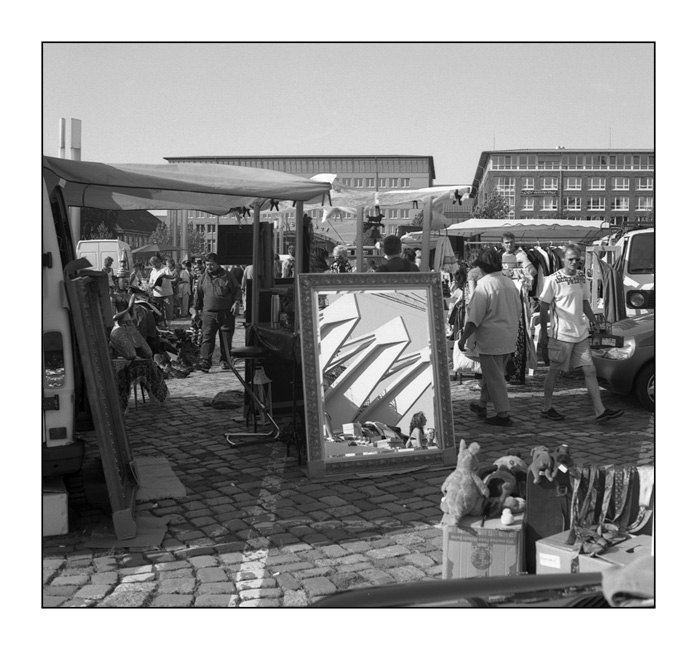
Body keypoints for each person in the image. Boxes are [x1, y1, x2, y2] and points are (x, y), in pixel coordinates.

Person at [539, 243, 624, 423]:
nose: (574, 263)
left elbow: (585, 302)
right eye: (570, 259)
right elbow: (544, 305)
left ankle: (600, 410)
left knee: (590, 369)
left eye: (577, 260)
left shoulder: (581, 277)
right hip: (561, 334)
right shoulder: (553, 279)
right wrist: (545, 333)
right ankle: (546, 407)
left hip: (581, 333)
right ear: (563, 259)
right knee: (554, 371)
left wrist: (595, 322)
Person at [461, 248, 522, 427]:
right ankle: (482, 404)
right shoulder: (509, 282)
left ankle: (503, 414)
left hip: (491, 338)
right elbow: (518, 310)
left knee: (494, 377)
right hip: (509, 335)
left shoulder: (484, 285)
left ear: (482, 266)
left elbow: (474, 318)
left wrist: (463, 338)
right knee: (493, 374)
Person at [193, 252, 243, 372]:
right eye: (207, 264)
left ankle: (225, 360)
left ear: (217, 264)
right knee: (207, 337)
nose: (209, 267)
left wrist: (236, 302)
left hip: (226, 313)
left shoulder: (228, 276)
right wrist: (195, 310)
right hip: (208, 313)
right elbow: (198, 295)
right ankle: (205, 361)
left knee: (225, 338)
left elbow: (237, 290)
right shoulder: (203, 278)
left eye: (211, 264)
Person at [109, 268, 153, 360]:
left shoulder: (129, 296)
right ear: (117, 282)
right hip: (119, 327)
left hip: (130, 327)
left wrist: (132, 307)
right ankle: (113, 343)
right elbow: (113, 317)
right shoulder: (114, 297)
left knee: (148, 353)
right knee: (131, 355)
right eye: (124, 282)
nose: (126, 284)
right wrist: (128, 308)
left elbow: (132, 316)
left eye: (128, 282)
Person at [148, 256, 175, 325]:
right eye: (152, 264)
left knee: (168, 310)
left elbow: (171, 276)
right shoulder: (153, 271)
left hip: (167, 294)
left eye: (155, 263)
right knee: (159, 310)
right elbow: (150, 282)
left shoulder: (165, 268)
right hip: (156, 294)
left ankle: (169, 325)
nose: (154, 265)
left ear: (159, 262)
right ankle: (162, 325)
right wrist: (151, 286)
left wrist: (164, 275)